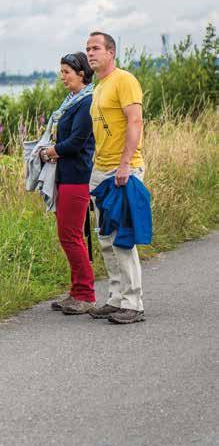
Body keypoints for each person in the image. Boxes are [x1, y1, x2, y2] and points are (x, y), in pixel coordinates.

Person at [85, 31, 146, 324]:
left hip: (123, 170)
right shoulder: (99, 87)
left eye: (96, 48)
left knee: (122, 238)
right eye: (88, 49)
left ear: (111, 52)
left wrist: (125, 165)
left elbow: (135, 121)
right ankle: (116, 298)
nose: (90, 53)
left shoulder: (125, 80)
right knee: (105, 238)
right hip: (100, 170)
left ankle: (133, 303)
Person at [41, 52, 96, 315]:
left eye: (66, 72)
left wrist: (50, 152)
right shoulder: (72, 101)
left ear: (81, 73)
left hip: (77, 177)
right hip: (66, 175)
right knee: (68, 236)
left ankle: (85, 294)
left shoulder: (87, 102)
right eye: (61, 71)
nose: (62, 77)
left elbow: (77, 142)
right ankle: (76, 292)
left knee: (71, 236)